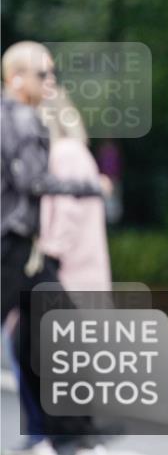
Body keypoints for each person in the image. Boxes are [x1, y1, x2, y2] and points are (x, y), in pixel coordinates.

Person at [1, 41, 109, 455]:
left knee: (48, 334)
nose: (50, 83)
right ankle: (72, 435)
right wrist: (90, 187)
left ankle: (71, 435)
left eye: (52, 74)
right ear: (17, 78)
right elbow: (33, 183)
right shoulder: (21, 119)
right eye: (43, 75)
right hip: (10, 248)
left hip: (22, 252)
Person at [38, 86, 113, 294]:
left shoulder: (65, 153)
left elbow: (67, 210)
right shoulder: (75, 151)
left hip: (70, 270)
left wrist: (50, 253)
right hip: (80, 266)